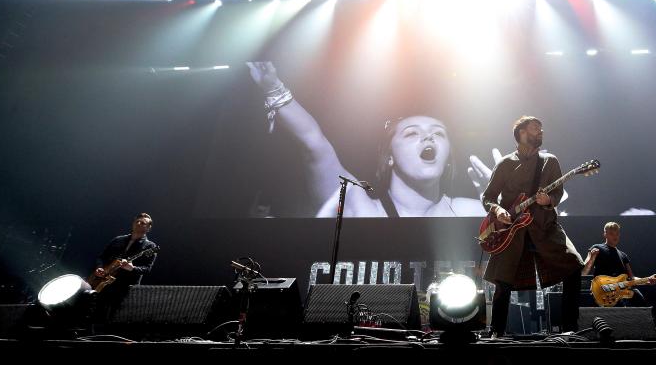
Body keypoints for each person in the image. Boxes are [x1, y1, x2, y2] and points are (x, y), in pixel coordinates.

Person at [246, 61, 487, 217]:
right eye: (412, 132)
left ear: (446, 160)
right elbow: (314, 143)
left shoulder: (472, 212)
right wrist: (273, 88)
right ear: (390, 157)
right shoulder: (360, 208)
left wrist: (503, 204)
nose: (428, 136)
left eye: (438, 133)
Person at [481, 116, 585, 336]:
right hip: (512, 231)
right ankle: (496, 332)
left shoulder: (550, 161)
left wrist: (549, 201)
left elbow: (557, 192)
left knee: (575, 265)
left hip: (545, 226)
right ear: (521, 134)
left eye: (541, 129)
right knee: (503, 282)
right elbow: (488, 197)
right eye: (535, 129)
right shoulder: (505, 164)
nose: (540, 132)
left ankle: (570, 329)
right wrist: (498, 210)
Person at [91, 213, 158, 313]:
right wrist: (99, 267)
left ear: (148, 228)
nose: (138, 223)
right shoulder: (118, 239)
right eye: (137, 221)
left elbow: (147, 269)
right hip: (103, 281)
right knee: (94, 309)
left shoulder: (150, 247)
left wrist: (132, 268)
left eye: (143, 223)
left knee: (112, 316)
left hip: (123, 289)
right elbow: (101, 257)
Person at [582, 221, 656, 305]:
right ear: (605, 234)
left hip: (619, 293)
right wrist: (592, 258)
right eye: (611, 233)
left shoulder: (623, 255)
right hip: (603, 292)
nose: (615, 236)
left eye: (617, 234)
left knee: (638, 297)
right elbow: (584, 272)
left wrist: (647, 280)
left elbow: (632, 278)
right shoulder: (597, 248)